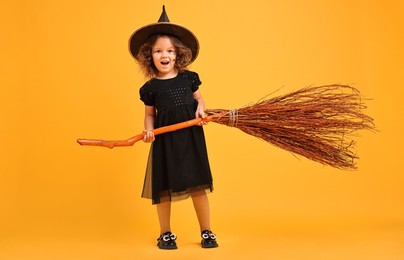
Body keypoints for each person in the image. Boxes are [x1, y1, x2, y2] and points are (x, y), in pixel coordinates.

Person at [128, 6, 218, 250]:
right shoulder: (150, 88)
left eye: (169, 50)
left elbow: (200, 99)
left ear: (178, 54)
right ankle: (165, 233)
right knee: (163, 189)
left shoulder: (189, 78)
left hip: (190, 138)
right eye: (158, 51)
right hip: (164, 142)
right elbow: (149, 115)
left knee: (198, 186)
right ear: (150, 56)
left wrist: (201, 109)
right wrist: (148, 131)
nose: (164, 55)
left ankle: (207, 231)